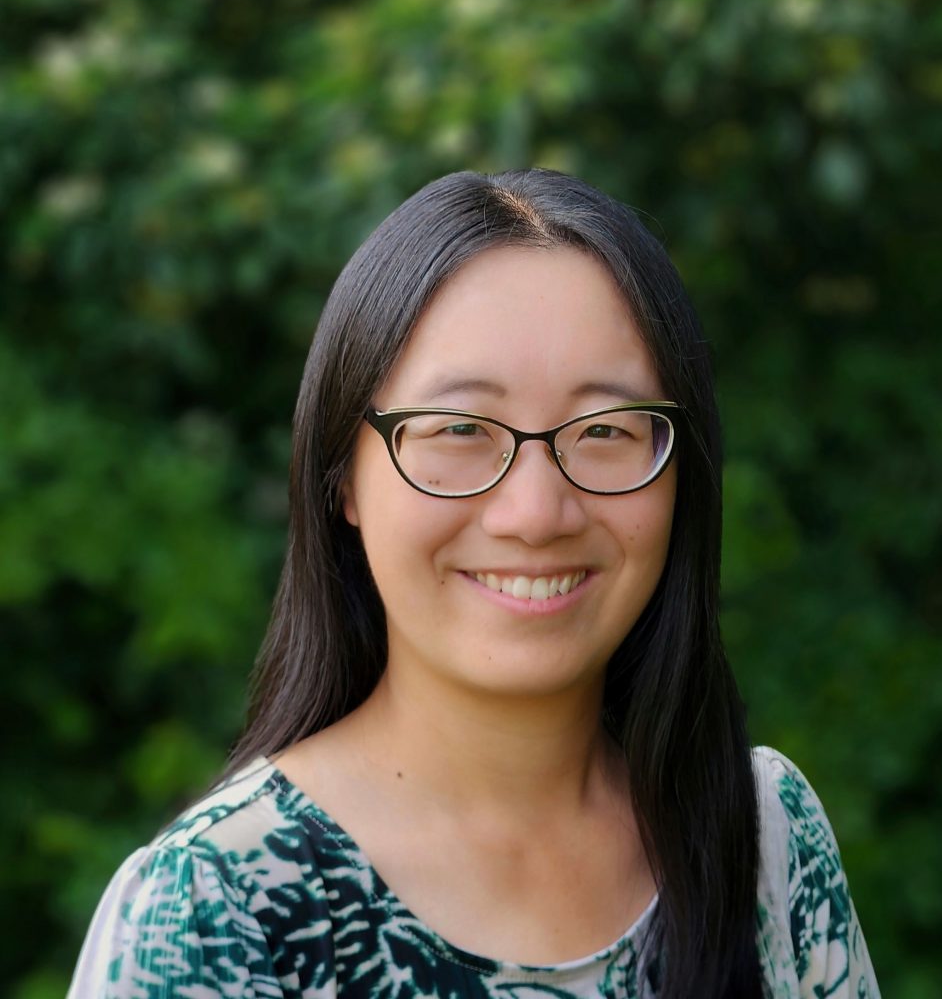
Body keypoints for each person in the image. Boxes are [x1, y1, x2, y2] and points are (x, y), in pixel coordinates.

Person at [68, 169, 880, 999]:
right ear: (344, 475)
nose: (536, 513)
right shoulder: (217, 904)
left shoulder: (760, 839)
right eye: (459, 429)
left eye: (604, 430)